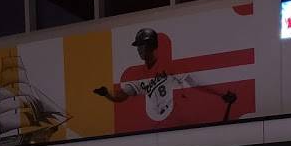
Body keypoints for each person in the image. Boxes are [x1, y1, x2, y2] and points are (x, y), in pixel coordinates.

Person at [92, 27, 238, 122]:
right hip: (155, 124)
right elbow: (121, 96)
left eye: (142, 45)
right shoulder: (139, 75)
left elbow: (196, 83)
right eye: (138, 46)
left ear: (152, 45)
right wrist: (106, 94)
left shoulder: (170, 66)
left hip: (174, 117)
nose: (139, 49)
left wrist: (221, 93)